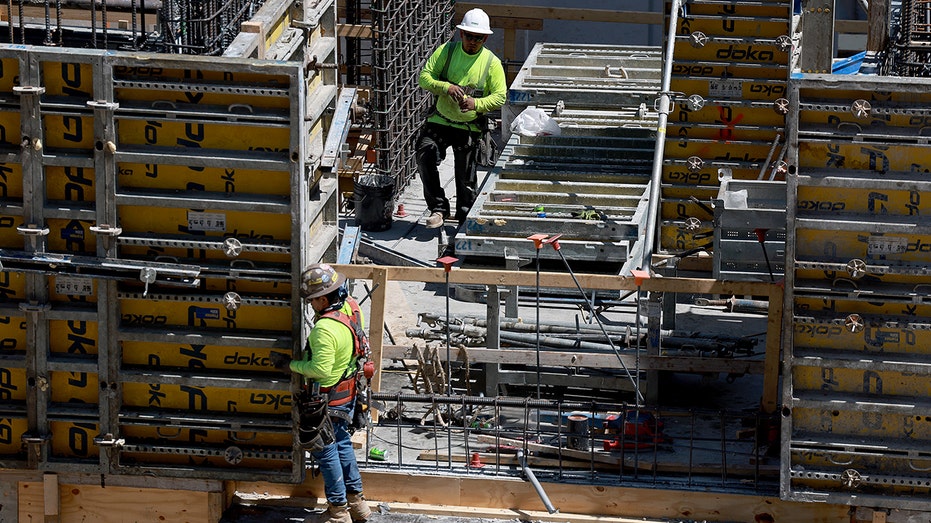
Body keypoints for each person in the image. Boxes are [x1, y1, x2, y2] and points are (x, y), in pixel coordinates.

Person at [271, 263, 371, 523]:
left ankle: (338, 512)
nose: (311, 305)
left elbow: (321, 370)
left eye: (313, 300)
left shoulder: (324, 330)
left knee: (326, 451)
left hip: (328, 399)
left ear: (324, 298)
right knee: (342, 444)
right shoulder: (350, 307)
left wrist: (290, 365)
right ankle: (358, 505)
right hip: (348, 393)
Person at [416, 7, 507, 229]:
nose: (473, 41)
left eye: (478, 38)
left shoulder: (491, 63)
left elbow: (500, 97)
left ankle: (465, 218)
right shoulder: (446, 51)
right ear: (461, 34)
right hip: (440, 120)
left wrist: (477, 104)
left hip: (469, 126)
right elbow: (424, 78)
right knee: (424, 154)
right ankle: (439, 208)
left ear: (485, 38)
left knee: (466, 176)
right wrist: (446, 87)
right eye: (469, 36)